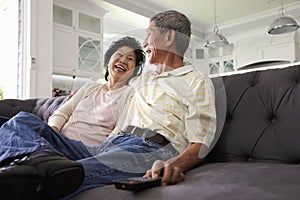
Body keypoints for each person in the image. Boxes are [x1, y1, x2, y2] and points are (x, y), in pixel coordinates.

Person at [0, 10, 216, 199]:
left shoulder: (196, 80)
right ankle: (34, 160)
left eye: (149, 34)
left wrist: (173, 165)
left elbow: (201, 144)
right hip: (110, 144)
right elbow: (112, 81)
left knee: (64, 175)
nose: (144, 43)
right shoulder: (144, 79)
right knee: (21, 121)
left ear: (169, 37)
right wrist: (83, 92)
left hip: (149, 149)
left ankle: (28, 171)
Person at [48, 36, 146, 145]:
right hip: (59, 139)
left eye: (130, 59)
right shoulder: (89, 87)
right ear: (109, 60)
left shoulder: (130, 94)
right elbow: (63, 112)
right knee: (26, 119)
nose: (123, 60)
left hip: (83, 149)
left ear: (134, 70)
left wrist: (101, 153)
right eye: (119, 54)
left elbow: (119, 130)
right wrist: (52, 133)